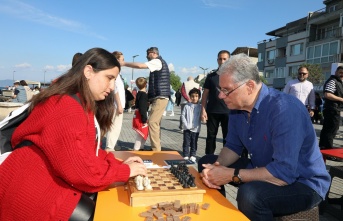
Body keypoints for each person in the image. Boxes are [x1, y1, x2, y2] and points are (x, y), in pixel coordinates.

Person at [0, 48, 147, 220]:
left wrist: (119, 164)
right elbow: (84, 172)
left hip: (40, 184)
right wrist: (124, 171)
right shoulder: (66, 106)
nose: (112, 86)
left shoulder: (78, 102)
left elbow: (88, 154)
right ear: (88, 71)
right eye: (109, 78)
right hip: (30, 194)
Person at [198, 53, 330, 220]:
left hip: (303, 182)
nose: (220, 96)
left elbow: (283, 173)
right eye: (220, 89)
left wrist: (231, 174)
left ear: (250, 86)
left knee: (250, 195)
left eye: (226, 90)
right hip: (264, 166)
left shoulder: (285, 109)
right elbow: (232, 147)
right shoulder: (237, 109)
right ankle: (219, 214)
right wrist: (216, 168)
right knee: (206, 163)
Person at [120, 47, 170, 151]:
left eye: (148, 54)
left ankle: (156, 150)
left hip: (160, 97)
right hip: (159, 97)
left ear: (153, 53)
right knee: (155, 123)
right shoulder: (159, 62)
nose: (146, 56)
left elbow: (140, 65)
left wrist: (124, 63)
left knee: (152, 123)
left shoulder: (157, 61)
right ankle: (157, 148)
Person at [201, 50, 231, 154]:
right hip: (212, 111)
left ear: (229, 60)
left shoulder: (233, 76)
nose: (222, 61)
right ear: (217, 60)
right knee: (210, 137)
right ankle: (208, 159)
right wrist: (203, 110)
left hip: (228, 112)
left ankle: (226, 162)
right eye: (220, 59)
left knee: (228, 139)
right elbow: (205, 94)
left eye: (224, 59)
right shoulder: (211, 76)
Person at [105, 51, 126, 151]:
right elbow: (115, 89)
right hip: (116, 104)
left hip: (116, 104)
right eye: (122, 59)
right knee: (115, 127)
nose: (123, 61)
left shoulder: (115, 71)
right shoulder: (115, 71)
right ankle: (110, 148)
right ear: (117, 60)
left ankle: (109, 146)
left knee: (111, 126)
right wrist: (119, 105)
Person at [319, 65, 343, 150]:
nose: (341, 75)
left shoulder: (338, 82)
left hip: (334, 109)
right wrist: (341, 99)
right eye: (340, 72)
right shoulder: (333, 81)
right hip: (332, 109)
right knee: (331, 130)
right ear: (336, 72)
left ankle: (323, 147)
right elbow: (327, 94)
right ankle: (328, 149)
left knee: (328, 129)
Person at [181, 88, 202, 163]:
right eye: (192, 96)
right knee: (186, 142)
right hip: (187, 128)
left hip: (196, 129)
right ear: (190, 97)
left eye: (196, 96)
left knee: (194, 142)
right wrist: (185, 124)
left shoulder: (200, 107)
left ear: (199, 97)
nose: (194, 98)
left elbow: (201, 116)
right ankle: (186, 155)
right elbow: (183, 115)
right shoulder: (187, 106)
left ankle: (193, 155)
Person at [132, 77, 149, 151]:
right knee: (141, 133)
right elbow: (142, 108)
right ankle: (137, 148)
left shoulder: (139, 93)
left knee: (141, 134)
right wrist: (144, 119)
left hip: (137, 115)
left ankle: (141, 147)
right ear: (146, 84)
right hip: (141, 116)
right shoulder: (144, 95)